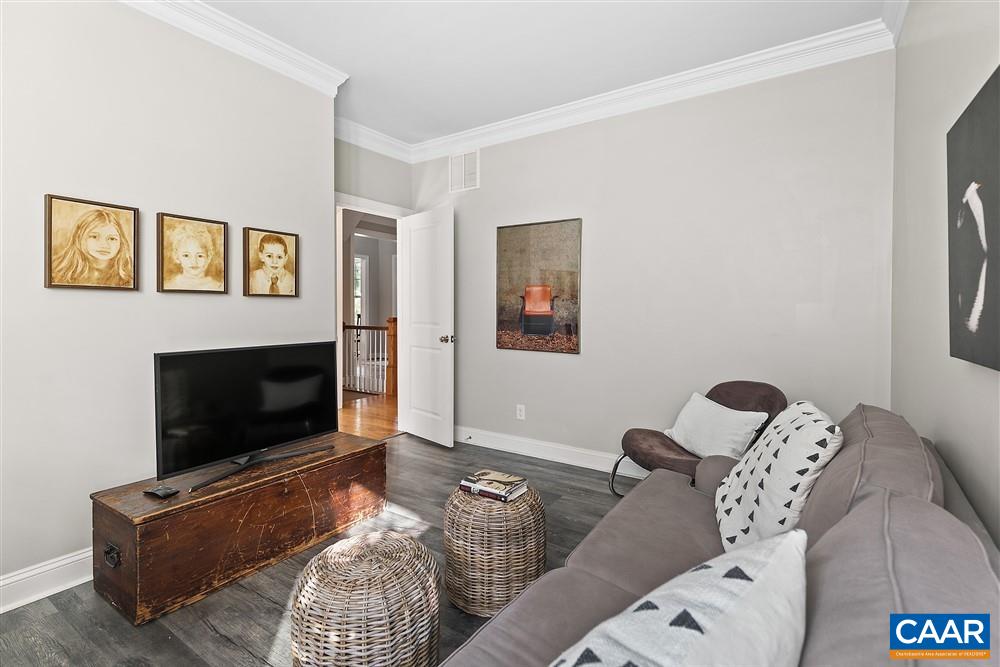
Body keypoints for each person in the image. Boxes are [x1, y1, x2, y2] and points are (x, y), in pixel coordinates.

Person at [50, 208, 132, 287]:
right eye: (94, 236)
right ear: (79, 238)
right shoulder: (56, 271)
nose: (104, 245)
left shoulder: (130, 272)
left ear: (121, 242)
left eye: (112, 239)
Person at [164, 223, 223, 291]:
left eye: (200, 256)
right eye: (186, 255)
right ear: (176, 256)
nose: (194, 262)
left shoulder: (218, 287)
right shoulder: (169, 286)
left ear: (209, 257)